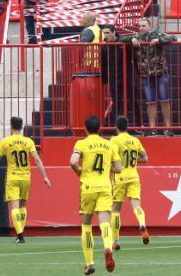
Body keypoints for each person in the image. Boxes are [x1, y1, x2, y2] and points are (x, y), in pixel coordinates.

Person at [70, 116, 120, 275]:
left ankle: (90, 263)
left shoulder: (81, 143)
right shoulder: (108, 144)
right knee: (105, 222)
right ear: (100, 129)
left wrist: (80, 171)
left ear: (85, 128)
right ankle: (107, 247)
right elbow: (119, 168)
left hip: (88, 187)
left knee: (86, 225)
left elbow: (73, 161)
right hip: (105, 187)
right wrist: (107, 168)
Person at [0, 117, 52, 244]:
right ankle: (21, 233)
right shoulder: (28, 141)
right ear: (22, 127)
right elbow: (36, 159)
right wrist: (45, 176)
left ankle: (20, 234)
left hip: (13, 177)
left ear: (11, 126)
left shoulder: (5, 141)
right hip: (26, 177)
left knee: (14, 206)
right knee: (23, 205)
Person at [122, 18, 177, 131]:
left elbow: (173, 38)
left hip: (160, 72)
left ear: (149, 25)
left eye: (144, 25)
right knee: (150, 102)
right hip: (145, 74)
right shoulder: (137, 37)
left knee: (164, 100)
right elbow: (122, 38)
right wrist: (132, 38)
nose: (142, 28)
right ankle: (152, 128)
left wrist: (159, 40)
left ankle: (168, 127)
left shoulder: (156, 34)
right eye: (140, 26)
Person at [109, 116, 150, 250]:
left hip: (120, 176)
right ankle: (142, 224)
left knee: (115, 210)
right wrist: (133, 160)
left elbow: (110, 156)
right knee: (136, 205)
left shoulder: (114, 140)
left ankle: (116, 241)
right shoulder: (135, 140)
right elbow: (145, 158)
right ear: (127, 126)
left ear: (116, 127)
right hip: (133, 176)